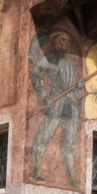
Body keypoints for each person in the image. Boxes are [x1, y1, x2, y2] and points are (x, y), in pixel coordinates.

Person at [29, 31, 80, 186]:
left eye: (68, 40)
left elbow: (74, 89)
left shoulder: (71, 64)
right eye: (62, 39)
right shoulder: (48, 60)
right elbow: (36, 76)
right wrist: (44, 97)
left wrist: (79, 88)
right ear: (55, 41)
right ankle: (35, 171)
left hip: (70, 104)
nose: (66, 43)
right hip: (55, 102)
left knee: (69, 143)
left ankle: (71, 179)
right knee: (44, 136)